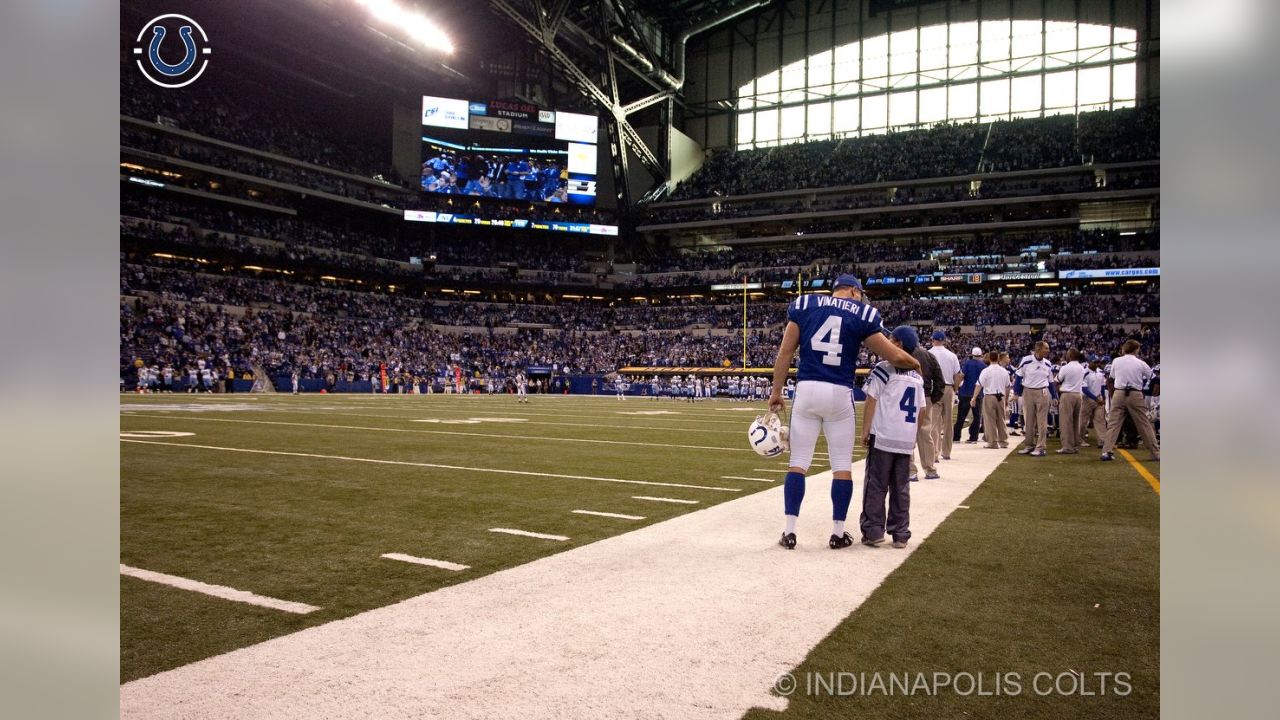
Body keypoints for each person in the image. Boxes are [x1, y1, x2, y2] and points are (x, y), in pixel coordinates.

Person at [768, 274, 920, 550]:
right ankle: (838, 533)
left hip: (807, 389)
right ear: (852, 291)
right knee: (841, 467)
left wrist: (776, 392)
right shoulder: (862, 313)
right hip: (839, 392)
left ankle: (790, 532)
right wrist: (917, 364)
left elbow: (785, 352)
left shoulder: (804, 304)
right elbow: (894, 356)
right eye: (860, 294)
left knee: (798, 463)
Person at [859, 326, 926, 549]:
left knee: (876, 484)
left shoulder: (884, 368)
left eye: (890, 340)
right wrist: (912, 434)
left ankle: (873, 530)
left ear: (897, 345)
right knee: (901, 487)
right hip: (905, 438)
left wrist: (866, 429)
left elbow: (871, 399)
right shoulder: (917, 376)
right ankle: (900, 533)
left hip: (885, 434)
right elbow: (922, 409)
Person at [1100, 340, 1161, 461]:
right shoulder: (1141, 363)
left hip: (1119, 392)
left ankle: (1106, 451)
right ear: (1136, 349)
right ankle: (1155, 453)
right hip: (1135, 393)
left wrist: (1113, 394)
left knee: (1113, 424)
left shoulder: (1116, 361)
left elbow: (1111, 378)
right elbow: (1154, 378)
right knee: (1144, 424)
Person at [907, 334, 945, 481]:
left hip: (907, 396)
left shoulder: (902, 353)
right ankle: (930, 469)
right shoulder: (928, 355)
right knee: (925, 433)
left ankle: (910, 470)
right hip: (925, 396)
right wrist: (933, 397)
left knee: (907, 432)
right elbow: (940, 380)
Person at [1014, 341, 1054, 456]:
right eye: (1046, 348)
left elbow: (1051, 381)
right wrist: (1017, 392)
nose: (1048, 350)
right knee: (1029, 420)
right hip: (1028, 391)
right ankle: (1029, 445)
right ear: (1038, 349)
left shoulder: (1048, 363)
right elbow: (1018, 376)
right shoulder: (1026, 360)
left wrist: (1054, 396)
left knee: (1042, 421)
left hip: (1043, 391)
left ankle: (1040, 447)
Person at [928, 330, 962, 461]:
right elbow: (957, 375)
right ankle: (946, 452)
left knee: (933, 422)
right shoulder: (951, 355)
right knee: (948, 422)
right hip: (948, 387)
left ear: (932, 339)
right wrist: (955, 388)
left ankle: (934, 453)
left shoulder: (929, 353)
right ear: (944, 340)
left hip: (934, 388)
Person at [975, 350, 1011, 449]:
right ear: (998, 358)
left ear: (990, 358)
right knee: (1001, 419)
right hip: (1001, 396)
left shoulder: (986, 371)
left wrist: (974, 397)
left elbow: (979, 385)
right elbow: (1008, 386)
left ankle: (993, 442)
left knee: (989, 420)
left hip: (989, 396)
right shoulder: (1004, 371)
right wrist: (1006, 399)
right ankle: (1003, 441)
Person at [1055, 349, 1087, 454]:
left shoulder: (1065, 367)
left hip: (1067, 395)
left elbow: (1057, 380)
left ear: (1070, 356)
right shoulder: (1082, 368)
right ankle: (1074, 445)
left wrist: (1059, 388)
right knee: (1075, 421)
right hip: (1078, 395)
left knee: (1065, 422)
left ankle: (1067, 447)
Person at [954, 347, 986, 444]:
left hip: (965, 392)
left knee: (961, 416)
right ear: (981, 355)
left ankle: (956, 437)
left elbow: (961, 376)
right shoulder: (983, 365)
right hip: (978, 394)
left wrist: (956, 387)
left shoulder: (967, 363)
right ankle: (973, 437)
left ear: (972, 354)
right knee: (977, 416)